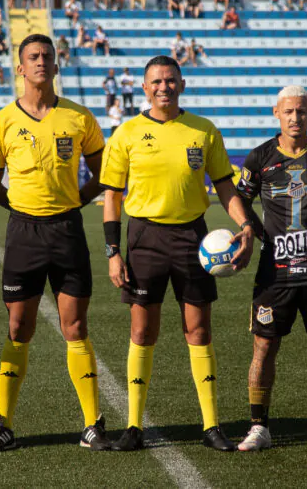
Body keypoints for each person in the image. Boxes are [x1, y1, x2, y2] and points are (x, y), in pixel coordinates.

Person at [100, 55, 252, 452]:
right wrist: (113, 251)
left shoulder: (203, 130)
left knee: (198, 330)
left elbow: (224, 185)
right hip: (144, 238)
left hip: (192, 239)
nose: (163, 87)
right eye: (156, 81)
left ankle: (212, 425)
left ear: (181, 84)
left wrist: (246, 224)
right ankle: (133, 426)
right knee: (141, 332)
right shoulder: (127, 132)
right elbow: (112, 197)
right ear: (145, 87)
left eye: (170, 80)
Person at [0, 34, 110, 452]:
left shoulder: (80, 118)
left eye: (47, 57)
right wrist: (18, 207)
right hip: (24, 232)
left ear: (56, 66)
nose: (40, 62)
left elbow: (102, 172)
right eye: (32, 57)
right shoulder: (1, 121)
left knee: (75, 326)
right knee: (19, 326)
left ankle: (93, 424)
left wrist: (77, 201)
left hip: (67, 230)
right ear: (19, 68)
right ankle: (4, 424)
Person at [234, 86, 307, 452]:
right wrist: (251, 227)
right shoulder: (259, 158)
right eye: (288, 112)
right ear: (276, 113)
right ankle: (258, 427)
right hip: (275, 271)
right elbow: (239, 198)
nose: (295, 118)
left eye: (301, 111)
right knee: (264, 347)